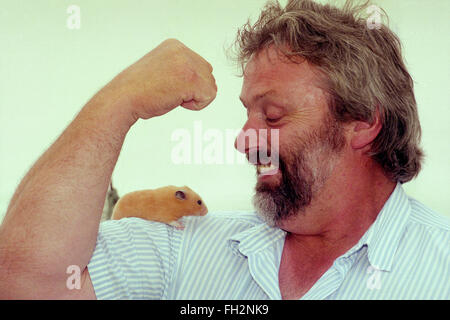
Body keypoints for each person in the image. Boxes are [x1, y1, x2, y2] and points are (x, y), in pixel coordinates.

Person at [0, 0, 448, 300]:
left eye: (271, 116)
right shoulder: (187, 247)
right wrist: (119, 102)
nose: (242, 139)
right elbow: (24, 280)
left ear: (364, 124)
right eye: (247, 115)